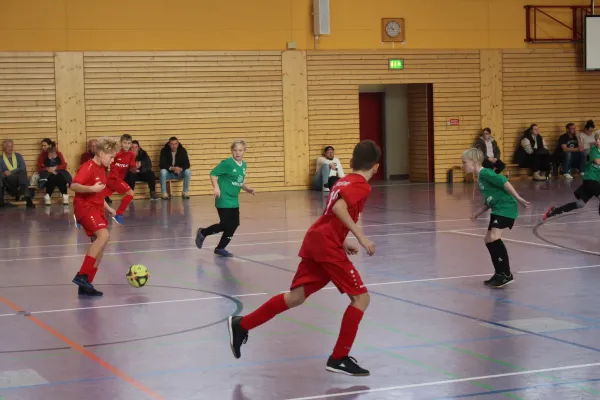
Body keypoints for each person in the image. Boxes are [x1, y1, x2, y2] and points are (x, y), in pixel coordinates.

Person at [226, 140, 380, 377]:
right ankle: (338, 357)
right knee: (361, 299)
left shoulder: (344, 179)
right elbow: (339, 209)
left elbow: (330, 215)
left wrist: (342, 240)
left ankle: (242, 324)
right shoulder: (361, 185)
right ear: (376, 167)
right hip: (326, 245)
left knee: (296, 297)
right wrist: (360, 237)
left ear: (350, 163)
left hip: (319, 239)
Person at [462, 148, 530, 288]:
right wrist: (478, 212)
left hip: (506, 207)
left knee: (493, 237)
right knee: (488, 239)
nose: (463, 165)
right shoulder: (480, 177)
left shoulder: (485, 173)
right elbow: (490, 198)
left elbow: (503, 181)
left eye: (464, 162)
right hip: (497, 208)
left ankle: (506, 274)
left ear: (474, 163)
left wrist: (517, 198)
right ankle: (499, 273)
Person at [71, 138, 119, 297]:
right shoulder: (88, 167)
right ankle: (82, 275)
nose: (112, 160)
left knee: (100, 245)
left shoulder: (101, 168)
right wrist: (90, 188)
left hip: (97, 208)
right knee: (103, 235)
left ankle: (86, 285)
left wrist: (108, 207)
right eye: (111, 157)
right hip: (84, 207)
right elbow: (74, 185)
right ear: (101, 153)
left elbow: (99, 192)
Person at [195, 140, 255, 257]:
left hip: (234, 199)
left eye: (240, 150)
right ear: (231, 151)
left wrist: (247, 189)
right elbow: (213, 173)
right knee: (227, 224)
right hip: (223, 198)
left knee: (234, 224)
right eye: (235, 150)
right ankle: (203, 232)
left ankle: (220, 248)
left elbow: (240, 181)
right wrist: (216, 187)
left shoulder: (243, 165)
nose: (237, 153)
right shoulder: (227, 163)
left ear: (244, 151)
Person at [543, 133, 600, 220]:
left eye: (599, 140)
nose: (597, 142)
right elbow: (597, 161)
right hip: (590, 179)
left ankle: (554, 211)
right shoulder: (594, 150)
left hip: (596, 181)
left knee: (580, 204)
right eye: (596, 140)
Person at [101, 134, 136, 224]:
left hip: (118, 180)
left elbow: (132, 168)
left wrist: (136, 168)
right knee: (131, 193)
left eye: (128, 143)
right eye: (124, 143)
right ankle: (119, 214)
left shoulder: (131, 154)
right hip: (113, 179)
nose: (126, 145)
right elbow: (107, 162)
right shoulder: (116, 153)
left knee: (98, 197)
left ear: (131, 144)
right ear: (121, 143)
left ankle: (80, 217)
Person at [0, 139, 34, 208]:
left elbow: (23, 167)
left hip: (19, 178)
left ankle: (26, 198)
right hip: (8, 180)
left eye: (12, 146)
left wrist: (11, 172)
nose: (11, 148)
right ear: (4, 147)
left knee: (23, 173)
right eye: (9, 146)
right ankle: (28, 199)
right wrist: (5, 172)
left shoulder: (18, 156)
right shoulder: (0, 158)